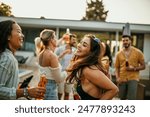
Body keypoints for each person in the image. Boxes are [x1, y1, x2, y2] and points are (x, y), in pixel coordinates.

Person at [0, 20, 46, 100]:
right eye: (18, 32)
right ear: (8, 36)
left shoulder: (8, 57)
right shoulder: (7, 58)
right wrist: (25, 92)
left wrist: (20, 88)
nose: (22, 35)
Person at [66, 34, 119, 100]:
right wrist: (75, 57)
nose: (79, 45)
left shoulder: (88, 70)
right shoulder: (83, 67)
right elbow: (69, 71)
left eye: (84, 45)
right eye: (80, 42)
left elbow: (114, 89)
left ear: (91, 52)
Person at [114, 36, 145, 100]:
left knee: (131, 98)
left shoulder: (138, 52)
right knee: (121, 98)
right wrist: (117, 78)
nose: (125, 42)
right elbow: (117, 67)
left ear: (130, 41)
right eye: (123, 40)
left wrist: (134, 68)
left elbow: (143, 66)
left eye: (127, 40)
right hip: (122, 79)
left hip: (133, 78)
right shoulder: (119, 54)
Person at [38, 29, 66, 100]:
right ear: (51, 40)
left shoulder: (41, 53)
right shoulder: (52, 55)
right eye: (55, 38)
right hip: (50, 89)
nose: (57, 40)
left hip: (42, 86)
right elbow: (59, 79)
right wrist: (69, 69)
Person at [55, 33, 77, 100]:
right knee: (60, 93)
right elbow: (54, 58)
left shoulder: (75, 50)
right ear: (68, 40)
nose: (74, 41)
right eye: (73, 40)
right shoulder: (60, 48)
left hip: (70, 75)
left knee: (67, 94)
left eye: (75, 40)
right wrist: (62, 54)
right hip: (61, 73)